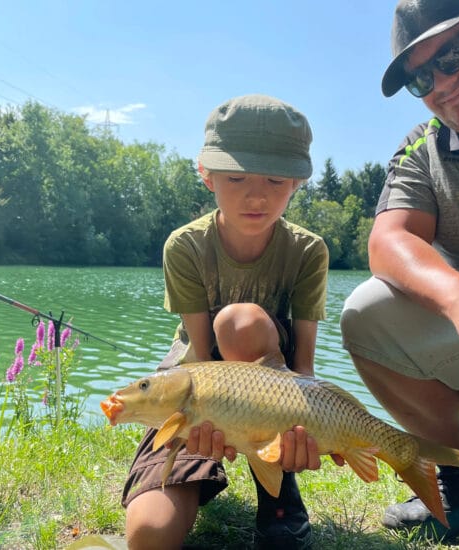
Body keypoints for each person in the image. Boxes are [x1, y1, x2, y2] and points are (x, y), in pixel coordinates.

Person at [122, 94, 330, 549]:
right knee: (149, 535)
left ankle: (279, 500)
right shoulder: (184, 246)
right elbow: (198, 358)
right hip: (197, 385)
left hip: (275, 387)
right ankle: (197, 467)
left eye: (275, 180)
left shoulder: (308, 250)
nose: (256, 194)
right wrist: (196, 424)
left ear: (296, 183)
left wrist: (302, 435)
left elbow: (306, 371)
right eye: (236, 178)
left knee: (240, 323)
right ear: (207, 175)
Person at [340, 0, 459, 540]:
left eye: (454, 52)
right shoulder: (422, 145)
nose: (442, 83)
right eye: (422, 76)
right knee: (367, 313)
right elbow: (390, 238)